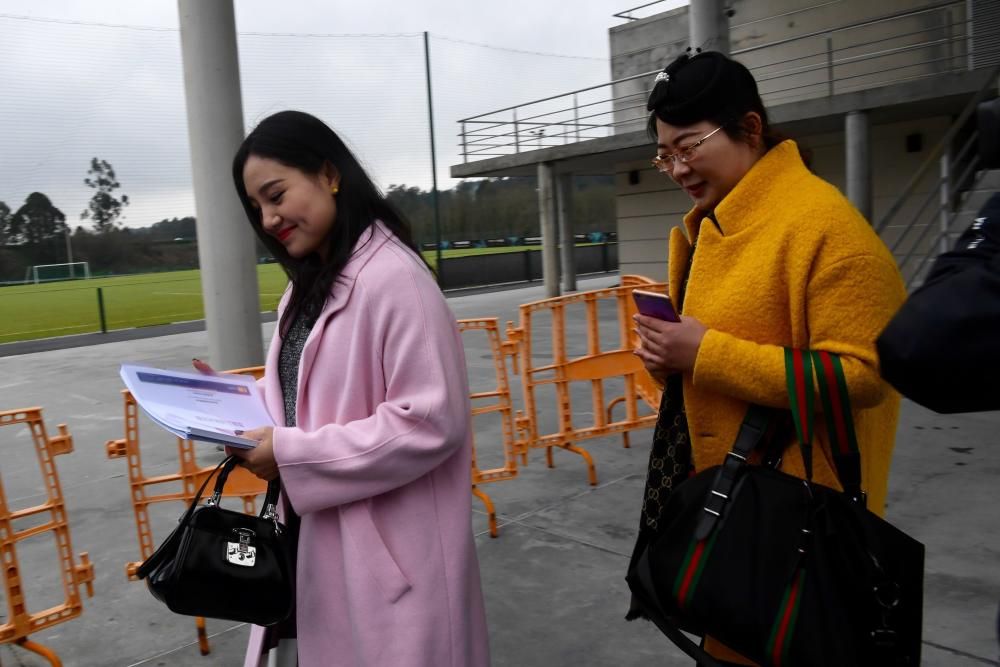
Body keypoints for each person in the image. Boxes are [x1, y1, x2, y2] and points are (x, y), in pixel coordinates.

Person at [627, 50, 907, 666]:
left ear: (750, 129)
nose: (676, 168)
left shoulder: (827, 229)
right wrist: (670, 359)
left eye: (689, 146)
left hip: (796, 531)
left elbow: (865, 375)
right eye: (664, 154)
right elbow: (711, 357)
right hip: (732, 514)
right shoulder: (715, 223)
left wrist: (704, 353)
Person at [222, 110, 489, 667]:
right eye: (257, 208)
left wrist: (289, 453)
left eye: (276, 195)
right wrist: (227, 408)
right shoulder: (308, 288)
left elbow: (429, 421)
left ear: (329, 173)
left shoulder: (395, 279)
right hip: (313, 541)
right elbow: (305, 401)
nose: (269, 218)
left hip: (387, 557)